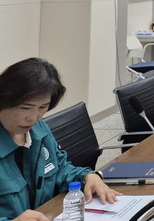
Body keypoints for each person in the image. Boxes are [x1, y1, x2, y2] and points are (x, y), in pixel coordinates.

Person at [0, 58, 120, 221]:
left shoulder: (39, 130)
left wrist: (87, 177)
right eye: (25, 108)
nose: (33, 118)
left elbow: (59, 168)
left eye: (43, 107)